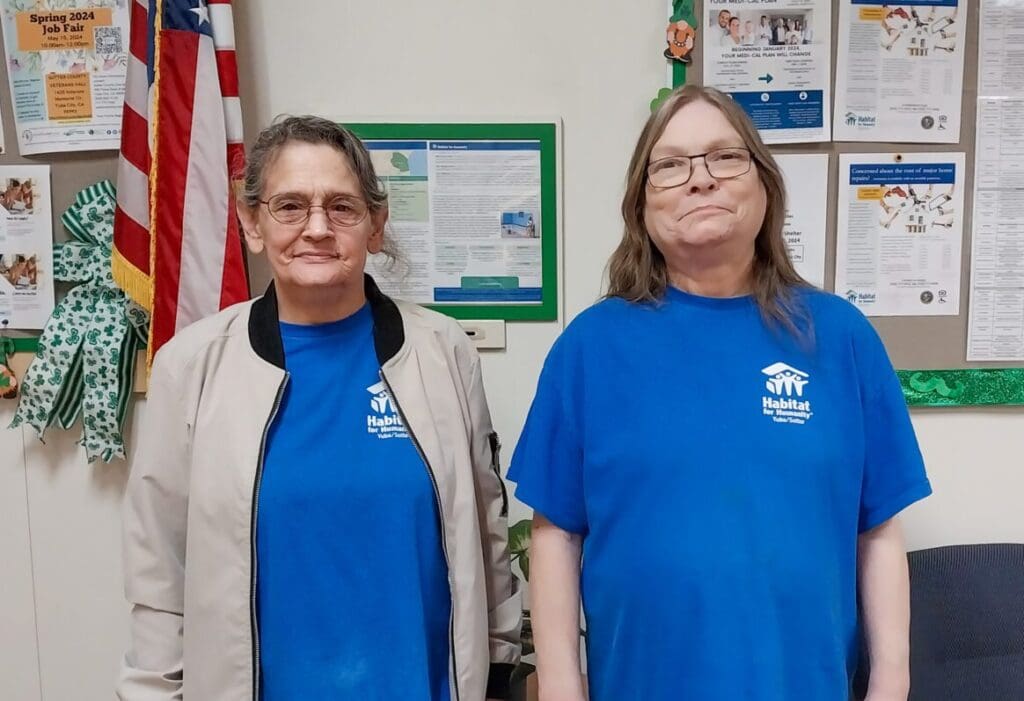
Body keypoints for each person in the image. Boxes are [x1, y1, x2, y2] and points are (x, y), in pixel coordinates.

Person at [509, 85, 931, 701]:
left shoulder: (839, 336)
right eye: (670, 165)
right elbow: (555, 533)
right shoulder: (591, 347)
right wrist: (561, 686)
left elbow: (878, 531)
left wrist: (892, 683)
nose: (699, 180)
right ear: (640, 204)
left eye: (724, 157)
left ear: (765, 185)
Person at [118, 116, 521, 701]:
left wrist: (502, 668)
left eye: (342, 207)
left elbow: (486, 533)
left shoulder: (444, 352)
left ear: (375, 226)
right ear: (252, 223)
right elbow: (159, 571)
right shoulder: (192, 367)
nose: (316, 228)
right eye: (289, 206)